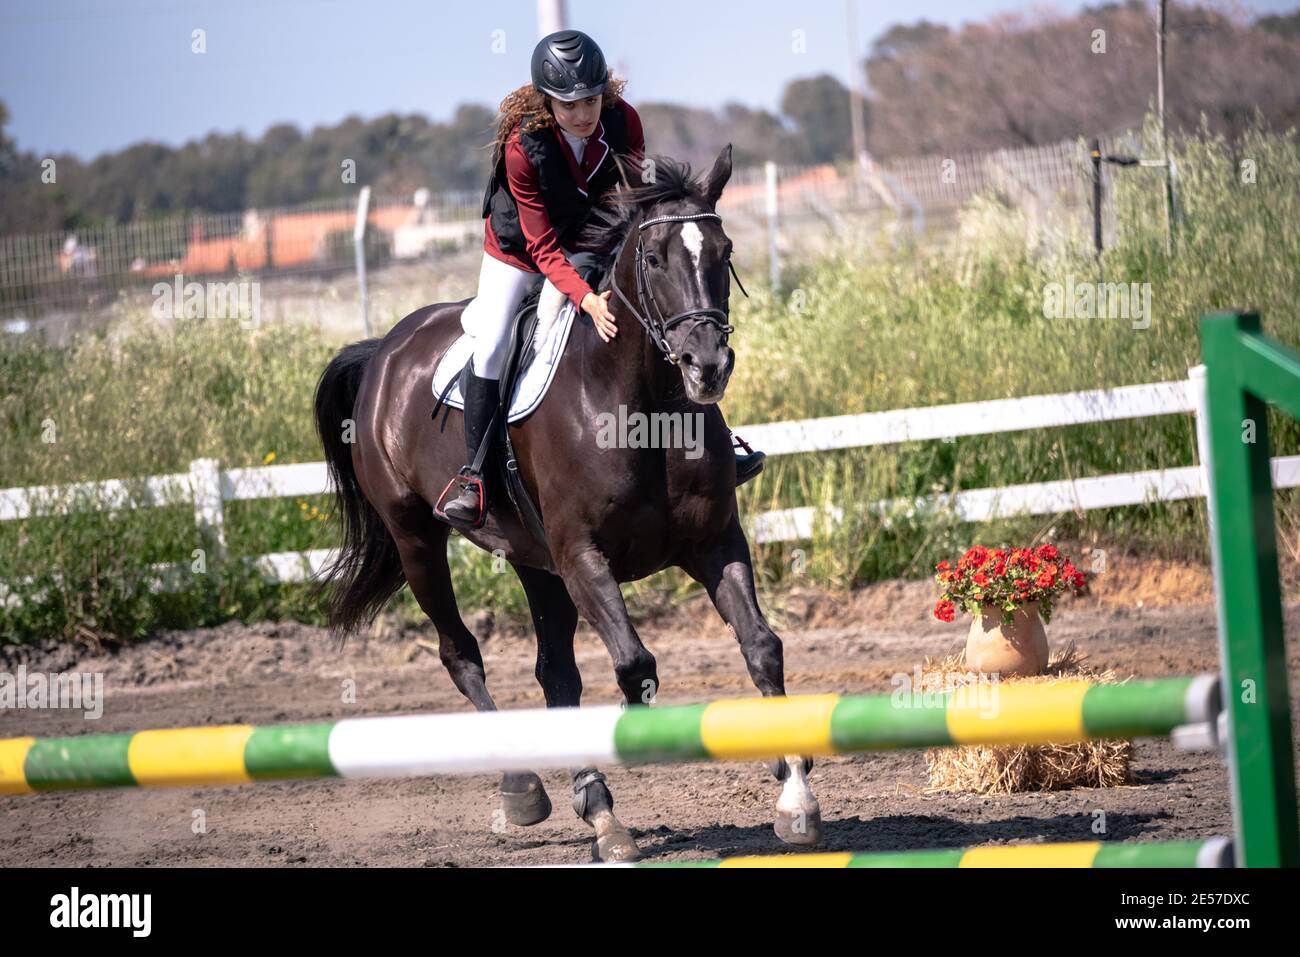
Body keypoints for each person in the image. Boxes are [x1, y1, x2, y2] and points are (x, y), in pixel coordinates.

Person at [438, 29, 764, 529]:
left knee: (658, 316)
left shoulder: (623, 120)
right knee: (498, 339)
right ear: (548, 103)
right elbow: (543, 246)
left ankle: (717, 444)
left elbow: (633, 194)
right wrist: (586, 298)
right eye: (569, 105)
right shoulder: (523, 147)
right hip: (520, 250)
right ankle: (475, 476)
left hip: (594, 235)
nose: (583, 114)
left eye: (591, 100)